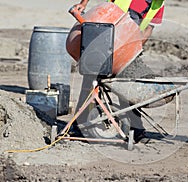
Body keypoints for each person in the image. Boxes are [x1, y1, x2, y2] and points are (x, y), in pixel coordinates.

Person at [70, 0, 165, 143]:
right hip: (102, 41)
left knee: (127, 82)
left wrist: (134, 49)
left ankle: (135, 128)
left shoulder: (158, 4)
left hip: (126, 45)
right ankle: (79, 126)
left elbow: (148, 29)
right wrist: (83, 4)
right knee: (91, 82)